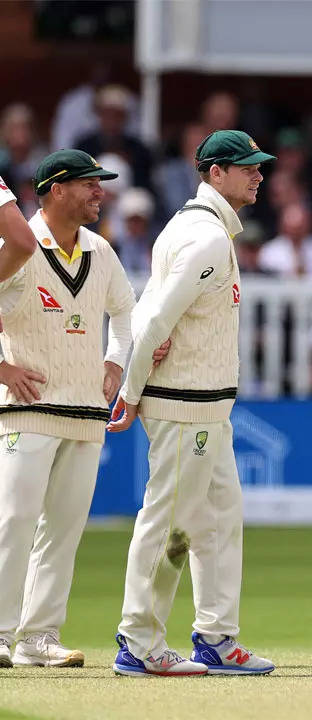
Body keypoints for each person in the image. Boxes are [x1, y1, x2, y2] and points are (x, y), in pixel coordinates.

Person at [108, 130, 277, 677]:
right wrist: (129, 394)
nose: (258, 174)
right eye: (246, 167)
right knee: (171, 525)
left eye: (259, 166)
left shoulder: (198, 229)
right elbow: (153, 319)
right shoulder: (204, 238)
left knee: (220, 521)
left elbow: (152, 309)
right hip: (183, 405)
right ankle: (138, 642)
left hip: (209, 407)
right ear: (215, 173)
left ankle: (216, 636)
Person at [0, 151, 133, 669]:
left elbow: (125, 313)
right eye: (90, 184)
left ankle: (38, 637)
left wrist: (115, 363)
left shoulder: (100, 249)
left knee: (64, 529)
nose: (100, 192)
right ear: (56, 189)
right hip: (26, 411)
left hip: (83, 412)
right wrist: (3, 371)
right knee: (13, 522)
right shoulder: (17, 248)